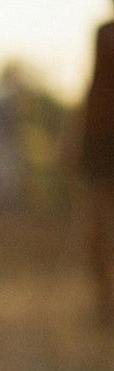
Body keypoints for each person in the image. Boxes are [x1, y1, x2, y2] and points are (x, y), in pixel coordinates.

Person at [80, 4, 114, 329]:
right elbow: (93, 83)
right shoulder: (104, 33)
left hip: (99, 133)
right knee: (96, 220)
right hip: (100, 135)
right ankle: (104, 300)